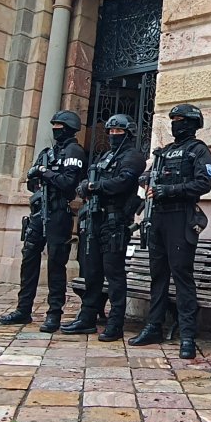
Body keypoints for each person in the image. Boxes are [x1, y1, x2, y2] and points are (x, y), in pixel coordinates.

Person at [128, 104, 211, 359]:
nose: (176, 123)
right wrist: (145, 179)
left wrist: (169, 190)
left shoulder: (198, 151)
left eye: (181, 120)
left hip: (181, 217)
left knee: (182, 276)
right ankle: (154, 326)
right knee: (158, 276)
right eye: (173, 119)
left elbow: (203, 183)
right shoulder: (164, 152)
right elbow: (150, 175)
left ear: (192, 123)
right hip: (158, 219)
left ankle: (187, 334)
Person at [0, 111, 87, 333]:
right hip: (38, 213)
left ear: (69, 128)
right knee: (29, 260)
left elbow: (68, 183)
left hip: (58, 213)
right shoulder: (47, 153)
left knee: (56, 264)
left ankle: (54, 314)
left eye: (59, 125)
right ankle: (23, 309)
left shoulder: (74, 151)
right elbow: (31, 181)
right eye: (54, 124)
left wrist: (45, 173)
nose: (56, 128)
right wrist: (40, 174)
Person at [61, 114, 147, 341]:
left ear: (128, 133)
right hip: (95, 220)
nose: (113, 136)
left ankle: (115, 323)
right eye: (110, 132)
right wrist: (85, 186)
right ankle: (87, 317)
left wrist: (94, 186)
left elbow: (123, 182)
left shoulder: (133, 157)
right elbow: (89, 179)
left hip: (115, 222)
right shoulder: (105, 156)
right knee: (91, 271)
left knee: (114, 273)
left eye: (118, 132)